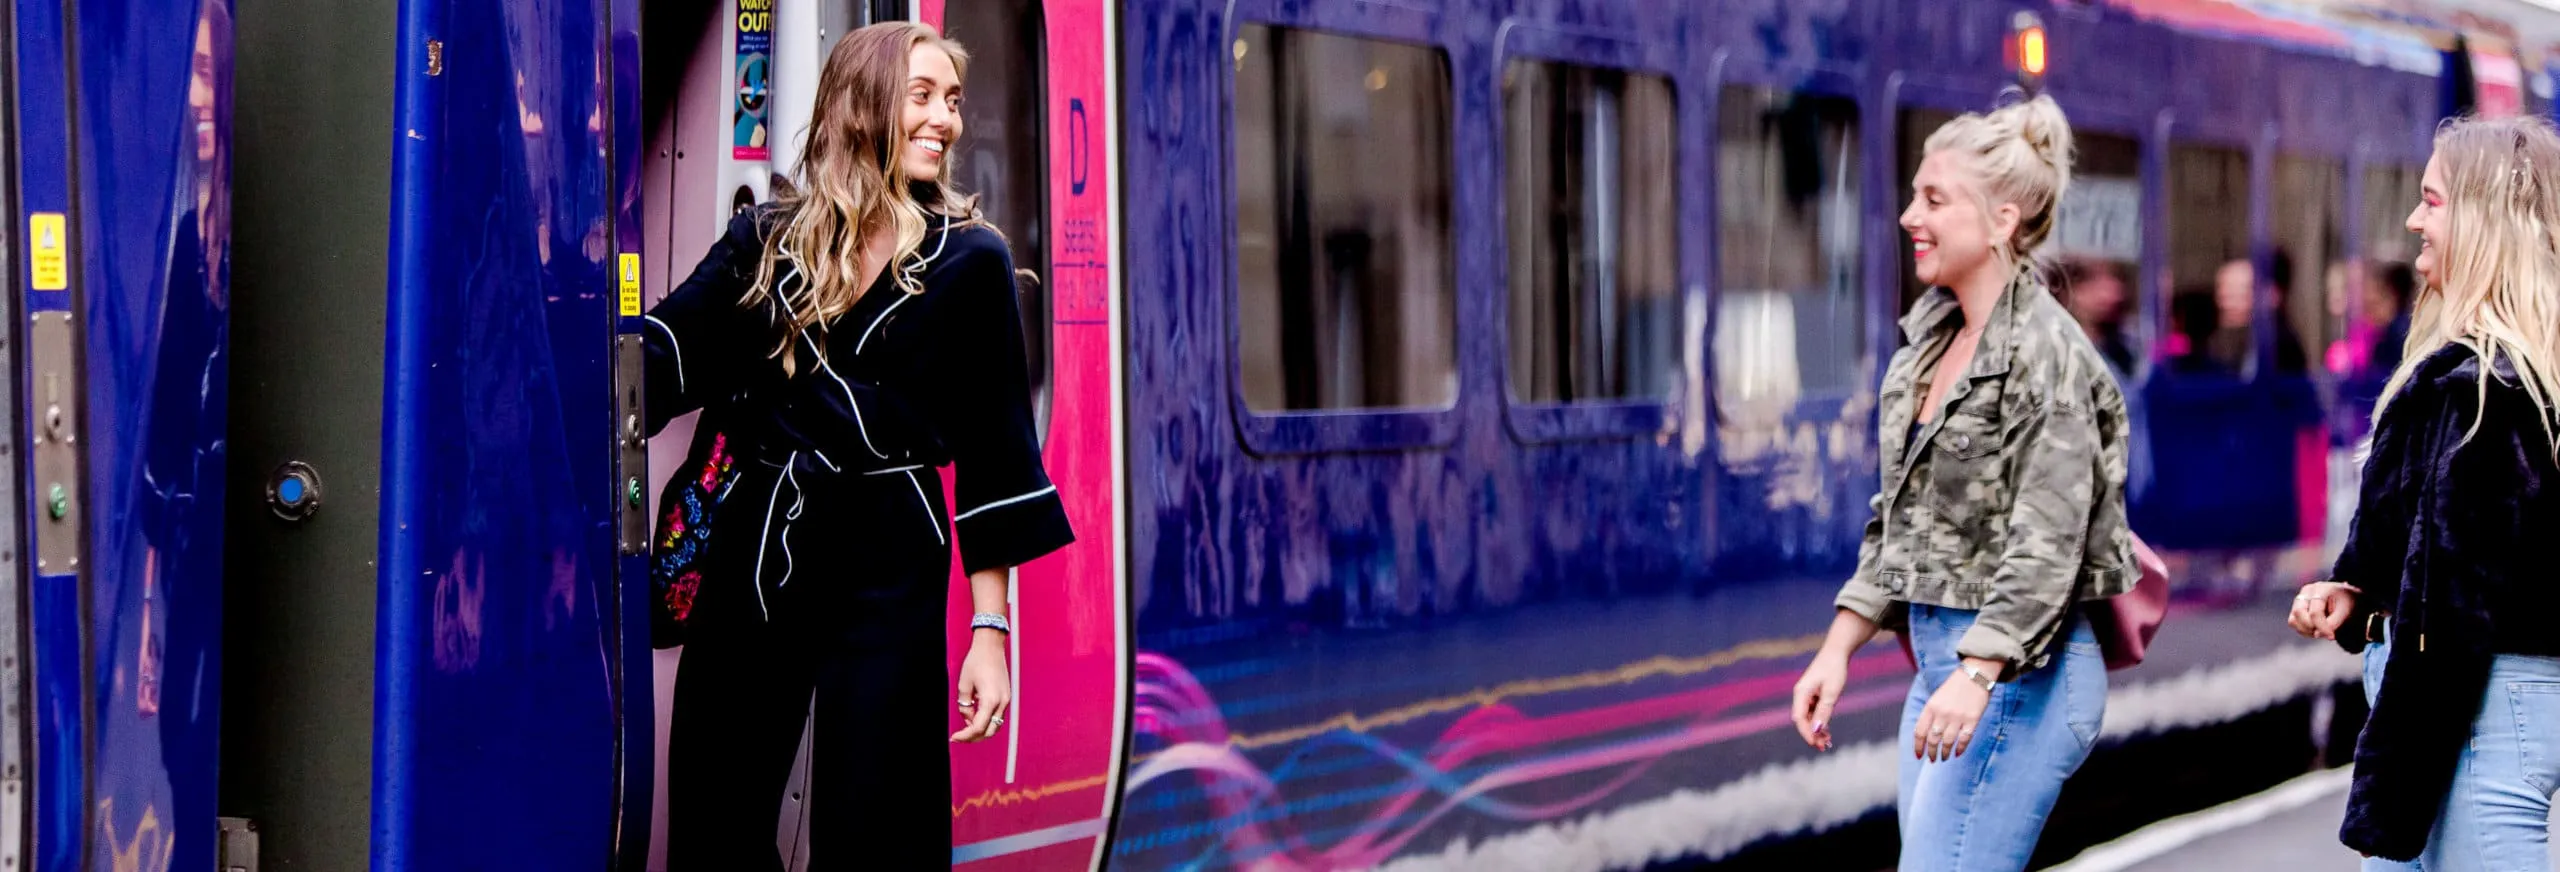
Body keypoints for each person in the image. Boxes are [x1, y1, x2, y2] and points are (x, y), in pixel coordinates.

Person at [641, 22, 1072, 868]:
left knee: (879, 822)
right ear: (863, 103)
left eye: (952, 101)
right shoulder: (766, 239)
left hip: (888, 559)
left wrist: (991, 631)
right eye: (922, 96)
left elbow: (995, 457)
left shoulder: (970, 261)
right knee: (714, 811)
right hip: (758, 546)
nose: (945, 119)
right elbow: (670, 351)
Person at [1789, 93, 2137, 871]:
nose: (1911, 215)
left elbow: (2045, 543)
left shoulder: (2046, 352)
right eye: (1916, 194)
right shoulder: (1930, 342)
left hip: (2019, 676)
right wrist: (1838, 648)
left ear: (2002, 221)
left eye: (1934, 199)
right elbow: (1901, 524)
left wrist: (1977, 673)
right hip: (1949, 669)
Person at [2290, 114, 2560, 870]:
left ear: (2483, 220)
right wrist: (2358, 589)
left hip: (2471, 707)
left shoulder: (2485, 392)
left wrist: (2388, 804)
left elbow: (2454, 600)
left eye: (2432, 202)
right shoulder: (2504, 379)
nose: (2413, 221)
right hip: (2484, 701)